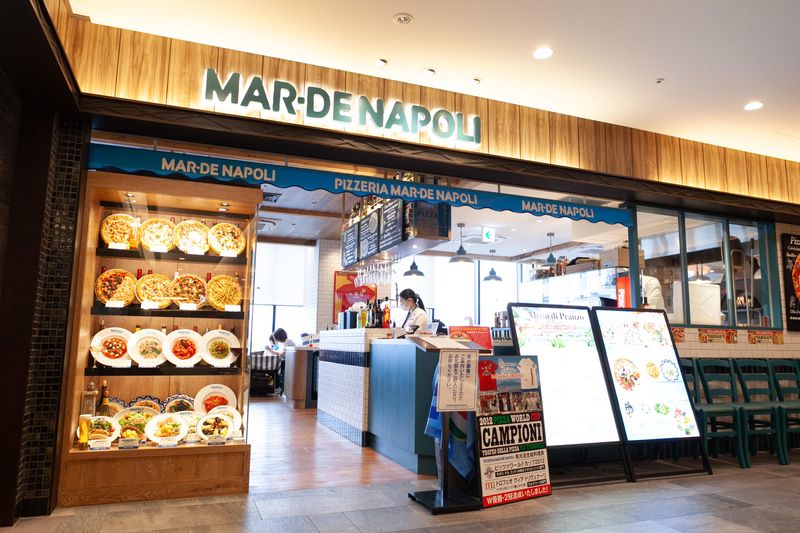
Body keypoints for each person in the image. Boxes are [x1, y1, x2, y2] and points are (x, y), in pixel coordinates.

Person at [265, 328, 295, 394]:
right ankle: (276, 388)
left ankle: (277, 388)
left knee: (274, 369)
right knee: (274, 368)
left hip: (289, 363)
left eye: (276, 338)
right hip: (288, 362)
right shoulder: (285, 342)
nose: (276, 340)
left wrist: (270, 350)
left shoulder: (288, 341)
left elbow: (281, 354)